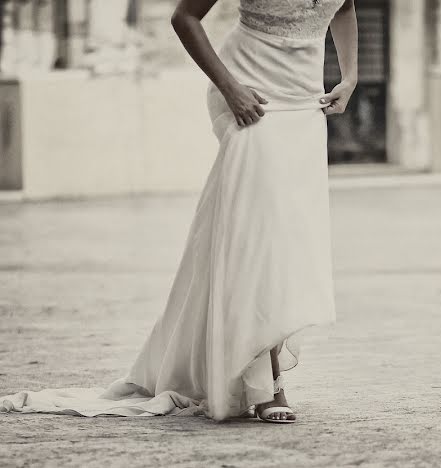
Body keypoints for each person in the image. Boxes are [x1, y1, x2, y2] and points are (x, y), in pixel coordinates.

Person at [0, 0, 357, 424]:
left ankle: (248, 357)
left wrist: (350, 76)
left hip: (303, 101)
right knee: (256, 238)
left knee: (286, 236)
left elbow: (344, 7)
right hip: (251, 91)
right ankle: (267, 383)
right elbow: (183, 17)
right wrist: (230, 87)